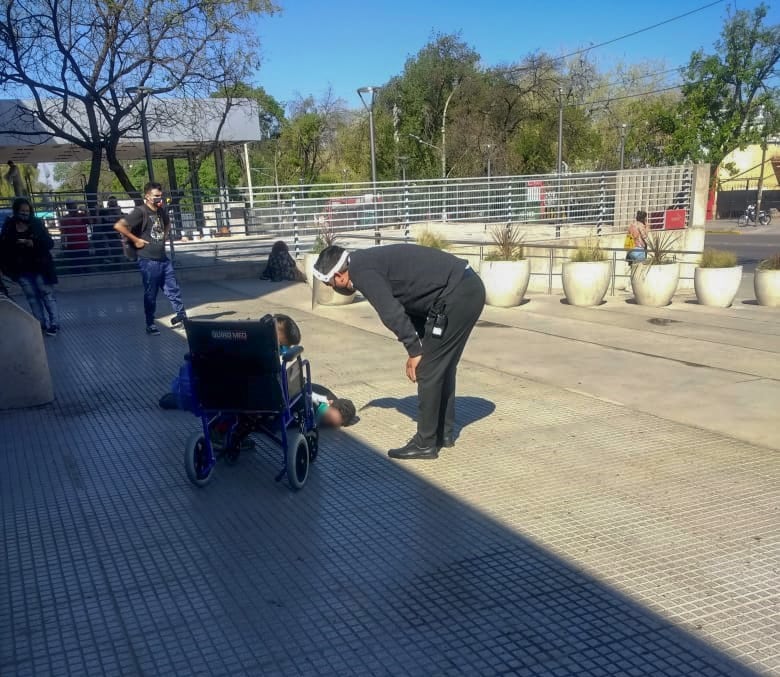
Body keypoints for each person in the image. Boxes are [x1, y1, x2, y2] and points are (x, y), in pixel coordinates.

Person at [313, 243, 485, 460]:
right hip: (463, 289)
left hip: (458, 294)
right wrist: (419, 344)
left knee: (429, 369)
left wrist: (414, 351)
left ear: (338, 276)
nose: (331, 288)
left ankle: (425, 443)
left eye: (328, 283)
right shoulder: (363, 262)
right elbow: (409, 300)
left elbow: (391, 312)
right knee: (441, 366)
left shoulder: (363, 273)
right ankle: (443, 434)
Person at [113, 182, 186, 335]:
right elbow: (119, 225)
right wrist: (136, 240)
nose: (160, 198)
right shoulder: (140, 212)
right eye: (156, 196)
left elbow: (167, 223)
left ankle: (182, 317)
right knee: (151, 293)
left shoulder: (160, 210)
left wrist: (164, 236)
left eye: (161, 195)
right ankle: (150, 323)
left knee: (173, 289)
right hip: (148, 261)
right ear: (147, 196)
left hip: (163, 259)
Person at [0, 197, 60, 335]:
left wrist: (33, 243)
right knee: (32, 297)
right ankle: (40, 324)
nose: (25, 213)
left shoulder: (36, 224)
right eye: (22, 211)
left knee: (47, 294)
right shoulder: (9, 226)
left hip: (40, 266)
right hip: (21, 269)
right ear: (16, 211)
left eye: (27, 211)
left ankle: (54, 323)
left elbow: (49, 243)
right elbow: (3, 247)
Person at [59, 201, 91, 274]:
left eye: (74, 206)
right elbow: (63, 233)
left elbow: (90, 221)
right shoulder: (64, 219)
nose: (74, 207)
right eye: (71, 206)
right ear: (68, 208)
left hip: (84, 247)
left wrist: (85, 211)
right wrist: (63, 245)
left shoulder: (82, 215)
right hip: (72, 248)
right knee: (75, 270)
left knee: (86, 269)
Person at [95, 196, 123, 263]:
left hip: (115, 235)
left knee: (117, 252)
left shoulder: (118, 212)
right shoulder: (104, 212)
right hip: (106, 235)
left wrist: (118, 212)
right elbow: (98, 222)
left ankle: (117, 264)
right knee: (108, 251)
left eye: (114, 202)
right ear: (108, 203)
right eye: (111, 202)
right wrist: (97, 211)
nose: (113, 204)